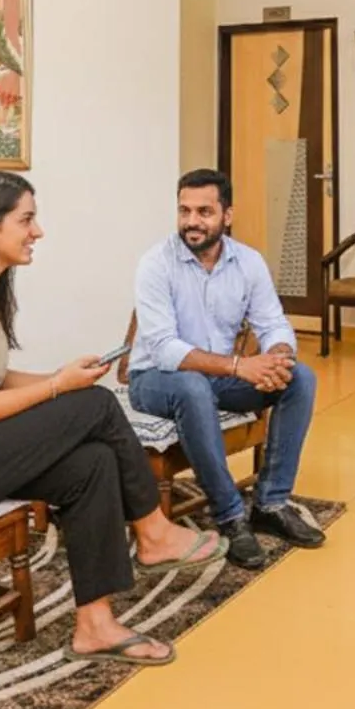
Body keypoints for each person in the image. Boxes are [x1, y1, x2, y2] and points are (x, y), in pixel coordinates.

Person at [0, 170, 219, 666]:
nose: (38, 231)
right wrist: (58, 391)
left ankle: (95, 625)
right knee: (95, 407)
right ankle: (153, 531)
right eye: (26, 219)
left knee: (90, 462)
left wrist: (61, 376)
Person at [127, 169, 324, 569]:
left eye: (204, 211)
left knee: (300, 378)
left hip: (216, 378)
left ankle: (270, 503)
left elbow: (273, 323)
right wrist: (240, 366)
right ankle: (230, 516)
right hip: (154, 380)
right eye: (184, 211)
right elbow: (165, 350)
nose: (192, 221)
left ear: (227, 215)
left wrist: (278, 357)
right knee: (193, 386)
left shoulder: (248, 262)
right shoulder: (155, 264)